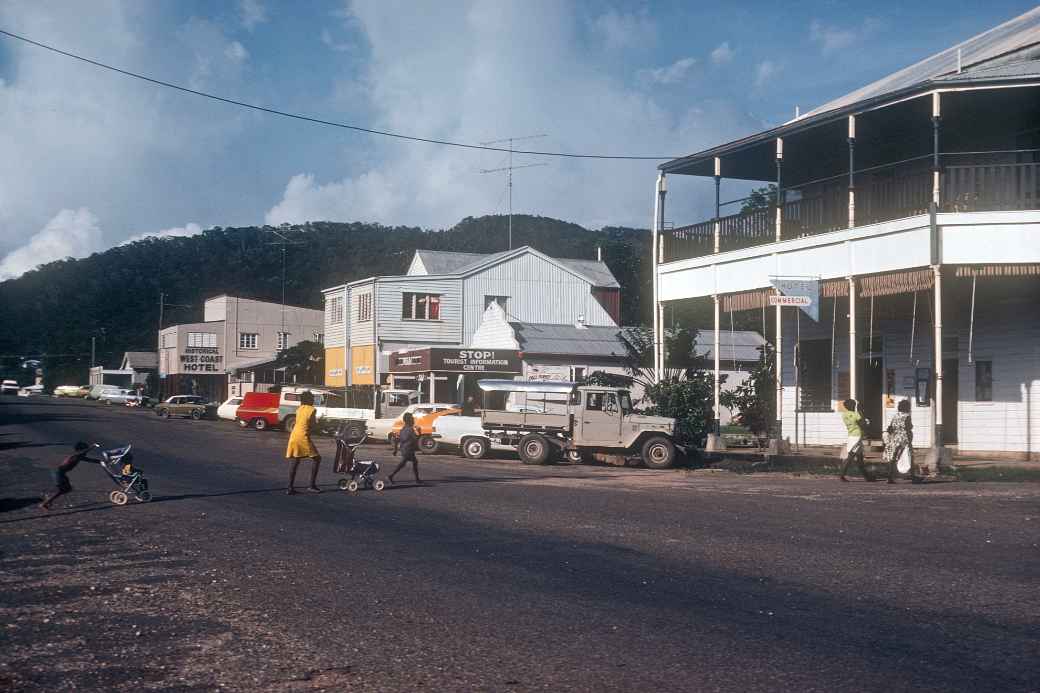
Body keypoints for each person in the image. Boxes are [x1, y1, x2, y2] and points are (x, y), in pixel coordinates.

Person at [39, 441, 100, 510]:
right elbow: (83, 453)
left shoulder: (78, 456)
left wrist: (101, 462)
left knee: (65, 489)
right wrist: (93, 446)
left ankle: (47, 501)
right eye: (85, 450)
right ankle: (45, 502)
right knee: (64, 489)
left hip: (60, 473)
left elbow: (90, 460)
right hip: (59, 473)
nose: (86, 453)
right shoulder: (76, 456)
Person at [285, 391, 322, 495]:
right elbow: (313, 426)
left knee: (295, 461)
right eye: (312, 398)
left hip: (294, 436)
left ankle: (290, 488)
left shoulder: (299, 409)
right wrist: (321, 425)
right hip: (303, 436)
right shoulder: (312, 410)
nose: (313, 400)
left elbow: (302, 422)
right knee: (317, 459)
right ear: (309, 399)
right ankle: (311, 485)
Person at [839, 399, 874, 482]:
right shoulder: (856, 414)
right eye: (854, 404)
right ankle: (842, 475)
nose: (855, 406)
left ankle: (867, 477)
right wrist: (866, 421)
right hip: (857, 436)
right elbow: (862, 424)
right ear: (852, 405)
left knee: (860, 459)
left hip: (851, 436)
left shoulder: (844, 415)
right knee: (850, 456)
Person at [883, 399, 914, 484]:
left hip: (895, 438)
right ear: (907, 407)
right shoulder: (907, 416)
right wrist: (910, 441)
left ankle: (889, 477)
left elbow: (890, 427)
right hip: (904, 438)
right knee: (910, 456)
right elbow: (909, 428)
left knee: (893, 457)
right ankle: (913, 476)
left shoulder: (895, 416)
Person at [388, 411, 422, 486]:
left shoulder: (403, 429)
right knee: (403, 463)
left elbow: (397, 439)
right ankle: (391, 476)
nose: (413, 420)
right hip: (408, 449)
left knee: (412, 462)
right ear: (410, 420)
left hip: (405, 449)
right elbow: (416, 439)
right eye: (412, 419)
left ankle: (417, 479)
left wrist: (395, 450)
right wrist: (419, 432)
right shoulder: (410, 429)